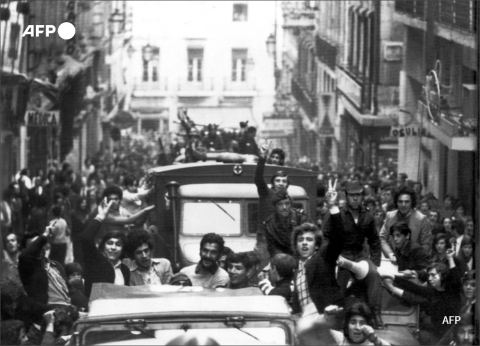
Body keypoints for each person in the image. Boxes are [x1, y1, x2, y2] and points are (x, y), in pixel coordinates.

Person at [322, 181, 383, 329]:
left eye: (358, 195)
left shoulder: (367, 215)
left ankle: (375, 314)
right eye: (352, 195)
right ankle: (336, 321)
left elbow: (374, 240)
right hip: (341, 255)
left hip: (360, 255)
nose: (355, 198)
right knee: (338, 287)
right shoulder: (337, 213)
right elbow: (325, 237)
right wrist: (331, 257)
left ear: (362, 196)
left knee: (374, 274)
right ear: (346, 196)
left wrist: (375, 262)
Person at [383, 251, 462, 345]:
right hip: (438, 333)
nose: (429, 279)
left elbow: (455, 276)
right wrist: (394, 277)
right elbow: (415, 288)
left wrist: (450, 258)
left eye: (433, 275)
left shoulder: (453, 292)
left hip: (452, 335)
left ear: (443, 276)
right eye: (429, 275)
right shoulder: (433, 291)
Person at [291, 180, 345, 315]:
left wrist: (332, 206)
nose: (304, 243)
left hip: (328, 322)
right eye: (300, 240)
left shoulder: (324, 257)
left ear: (316, 246)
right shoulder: (296, 265)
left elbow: (338, 237)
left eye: (309, 240)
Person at [80, 198, 132, 297]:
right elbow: (86, 237)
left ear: (122, 249)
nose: (113, 247)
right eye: (110, 243)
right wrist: (101, 216)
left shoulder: (124, 269)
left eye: (118, 244)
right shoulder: (95, 261)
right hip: (97, 309)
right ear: (103, 246)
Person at [254, 142, 292, 262]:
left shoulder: (290, 200)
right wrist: (262, 157)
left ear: (287, 185)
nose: (281, 183)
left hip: (282, 242)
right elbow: (258, 178)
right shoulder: (266, 193)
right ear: (273, 183)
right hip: (264, 241)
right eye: (278, 180)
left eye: (284, 181)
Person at [18, 227, 71, 308]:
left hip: (68, 307)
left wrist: (88, 304)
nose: (38, 249)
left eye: (40, 246)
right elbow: (24, 256)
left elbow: (71, 290)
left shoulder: (55, 265)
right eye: (35, 246)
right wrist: (45, 235)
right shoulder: (28, 269)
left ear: (45, 246)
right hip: (49, 312)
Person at [379, 186, 432, 262]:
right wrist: (390, 254)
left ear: (412, 202)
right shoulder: (390, 216)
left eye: (407, 202)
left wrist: (414, 259)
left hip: (414, 261)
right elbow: (382, 238)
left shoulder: (422, 219)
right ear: (396, 202)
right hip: (393, 259)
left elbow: (426, 245)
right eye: (400, 202)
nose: (403, 205)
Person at [296, 302, 390, 346]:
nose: (357, 327)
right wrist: (325, 319)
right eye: (353, 322)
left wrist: (376, 340)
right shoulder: (339, 339)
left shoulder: (373, 342)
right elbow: (306, 333)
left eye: (362, 323)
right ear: (347, 325)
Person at [263, 190, 308, 258]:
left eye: (287, 203)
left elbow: (307, 241)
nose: (284, 207)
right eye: (280, 204)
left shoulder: (301, 218)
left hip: (301, 256)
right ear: (275, 207)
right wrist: (284, 260)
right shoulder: (269, 224)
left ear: (291, 205)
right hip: (281, 259)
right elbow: (273, 248)